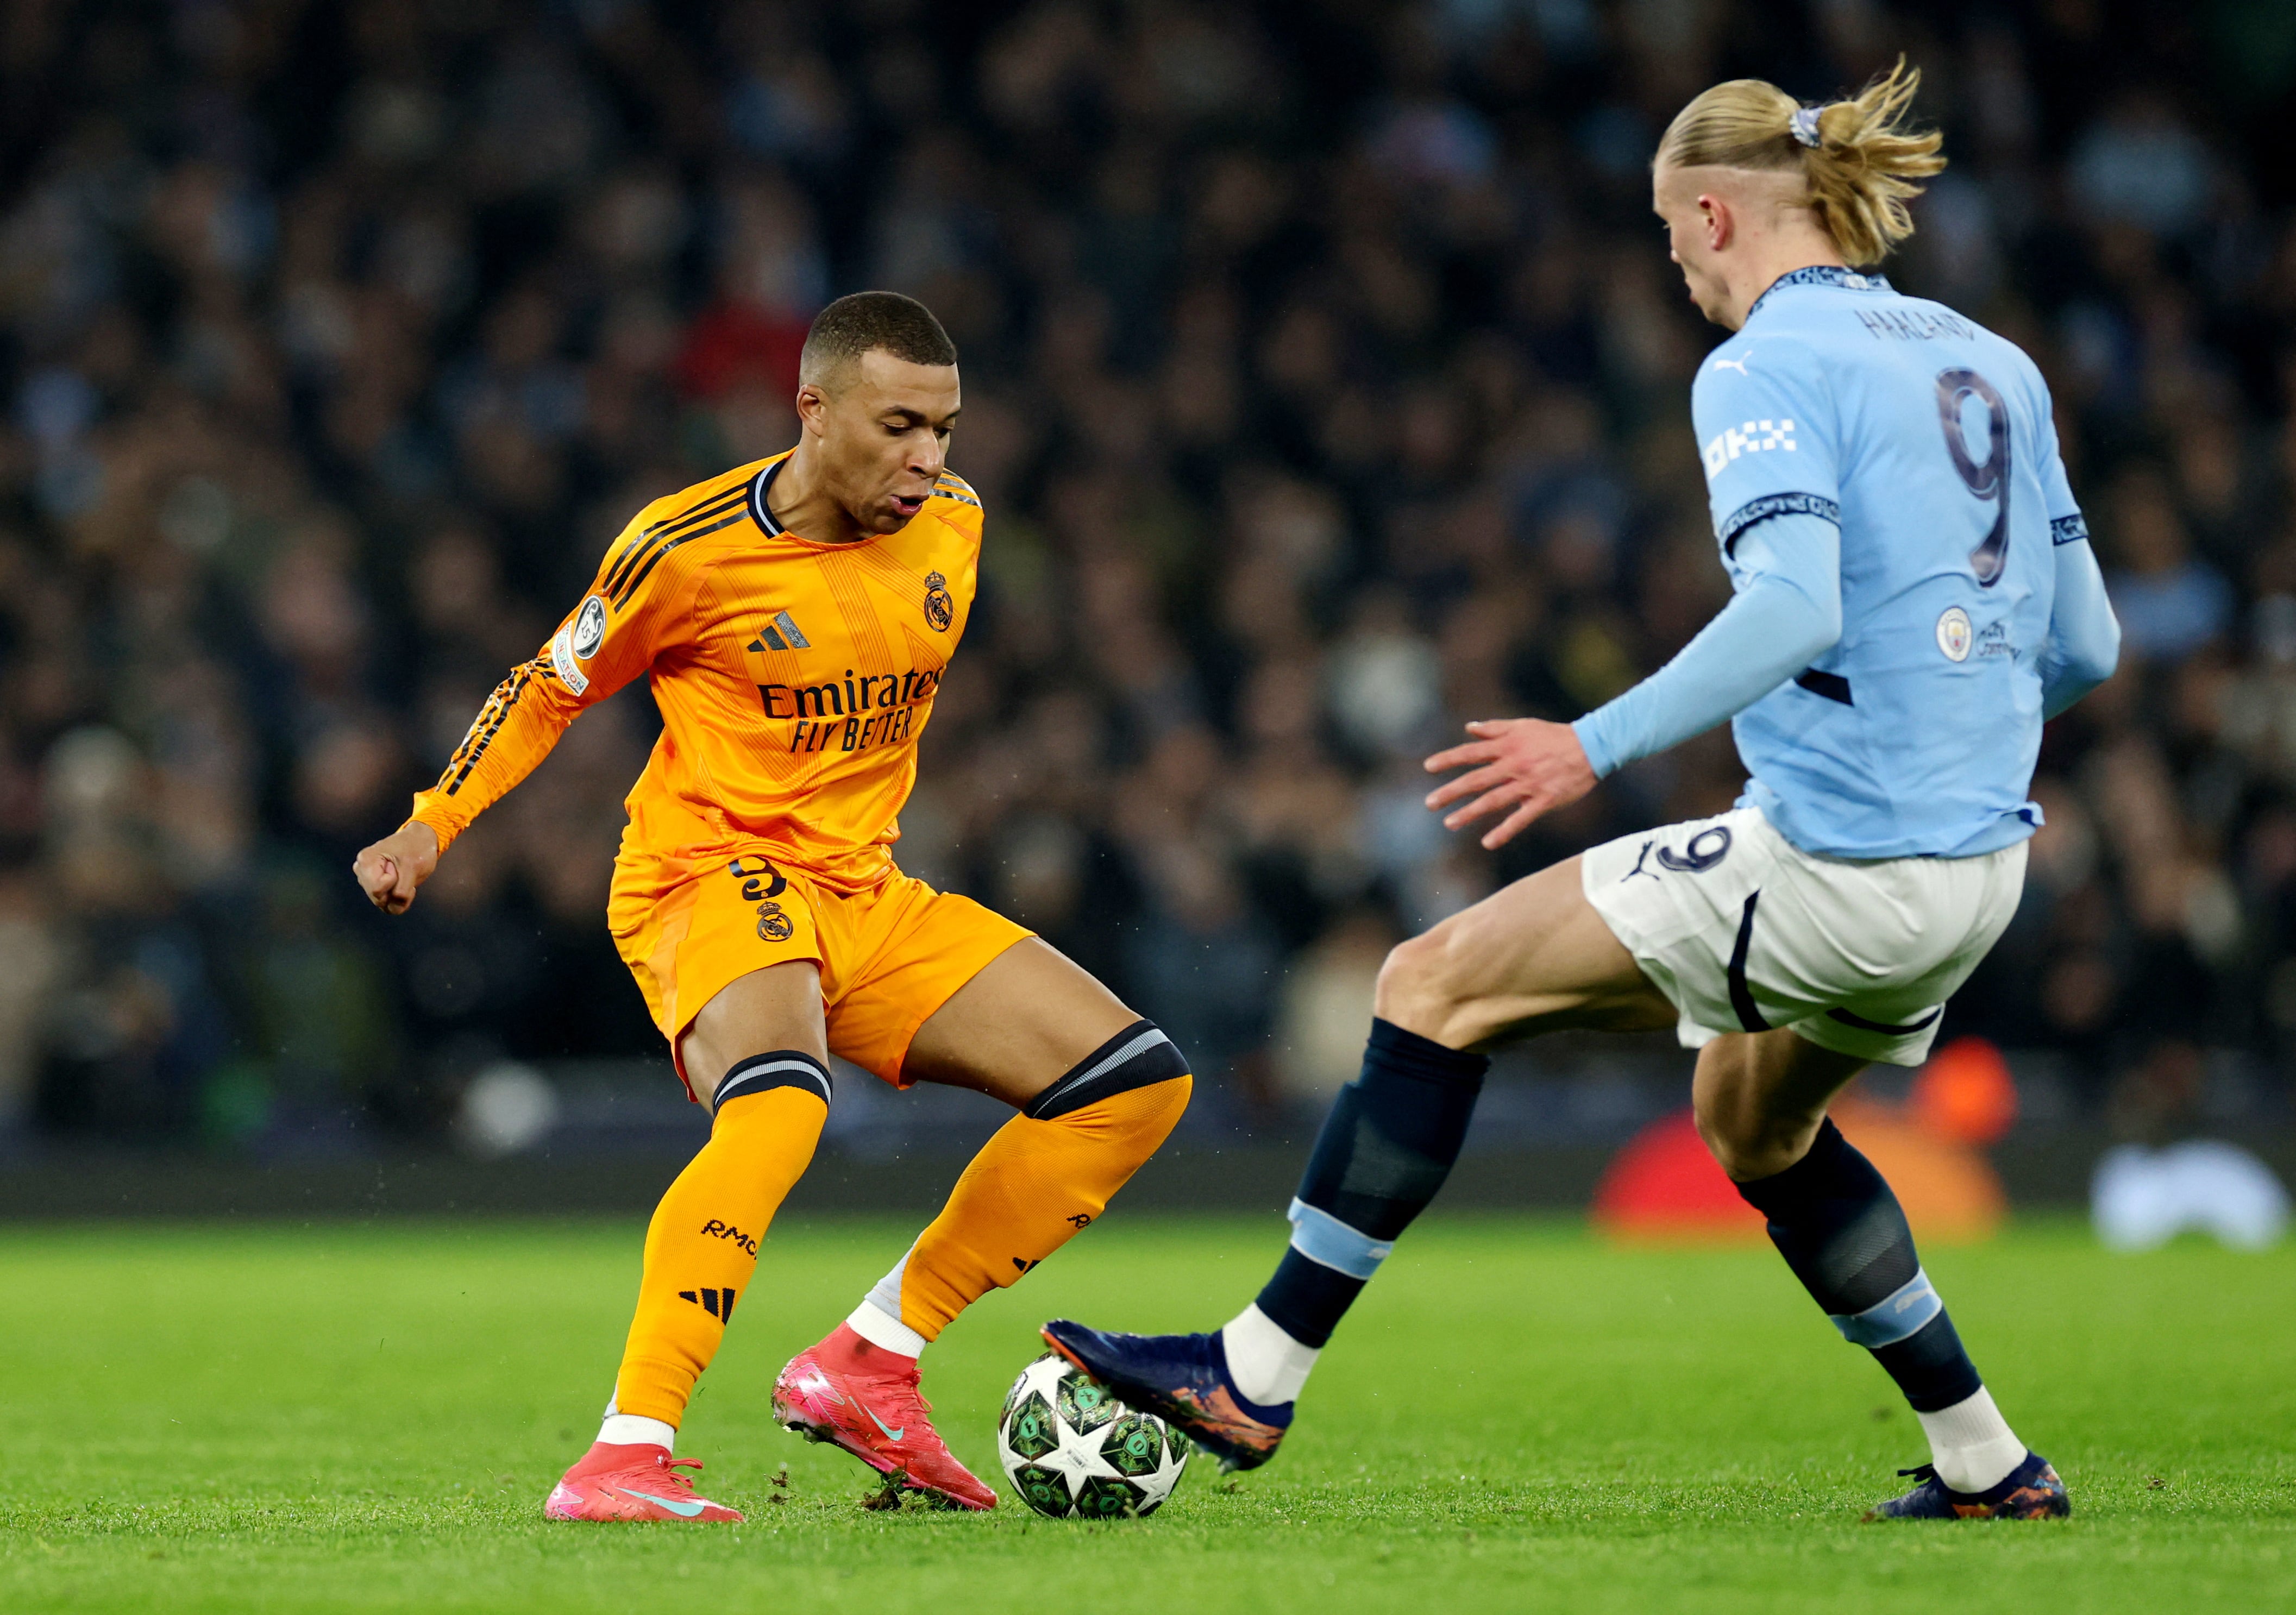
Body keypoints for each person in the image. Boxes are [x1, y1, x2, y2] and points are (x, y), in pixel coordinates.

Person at [1043, 62, 2118, 1523]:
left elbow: (1796, 607)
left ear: (1718, 213)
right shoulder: (1996, 361)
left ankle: (1253, 1368)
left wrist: (1588, 741)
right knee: (1754, 1124)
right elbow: (2086, 644)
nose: (1679, 274)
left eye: (1677, 242)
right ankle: (1990, 1463)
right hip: (1975, 871)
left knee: (1432, 981)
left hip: (1837, 864)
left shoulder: (1760, 366)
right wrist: (1951, 721)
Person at [353, 292, 1193, 1522]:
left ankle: (872, 1358)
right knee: (784, 1102)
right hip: (710, 874)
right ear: (812, 407)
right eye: (900, 424)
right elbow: (548, 684)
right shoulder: (685, 547)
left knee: (1133, 1080)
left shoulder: (952, 524)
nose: (928, 460)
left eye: (947, 430)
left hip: (864, 889)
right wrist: (432, 822)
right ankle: (623, 1452)